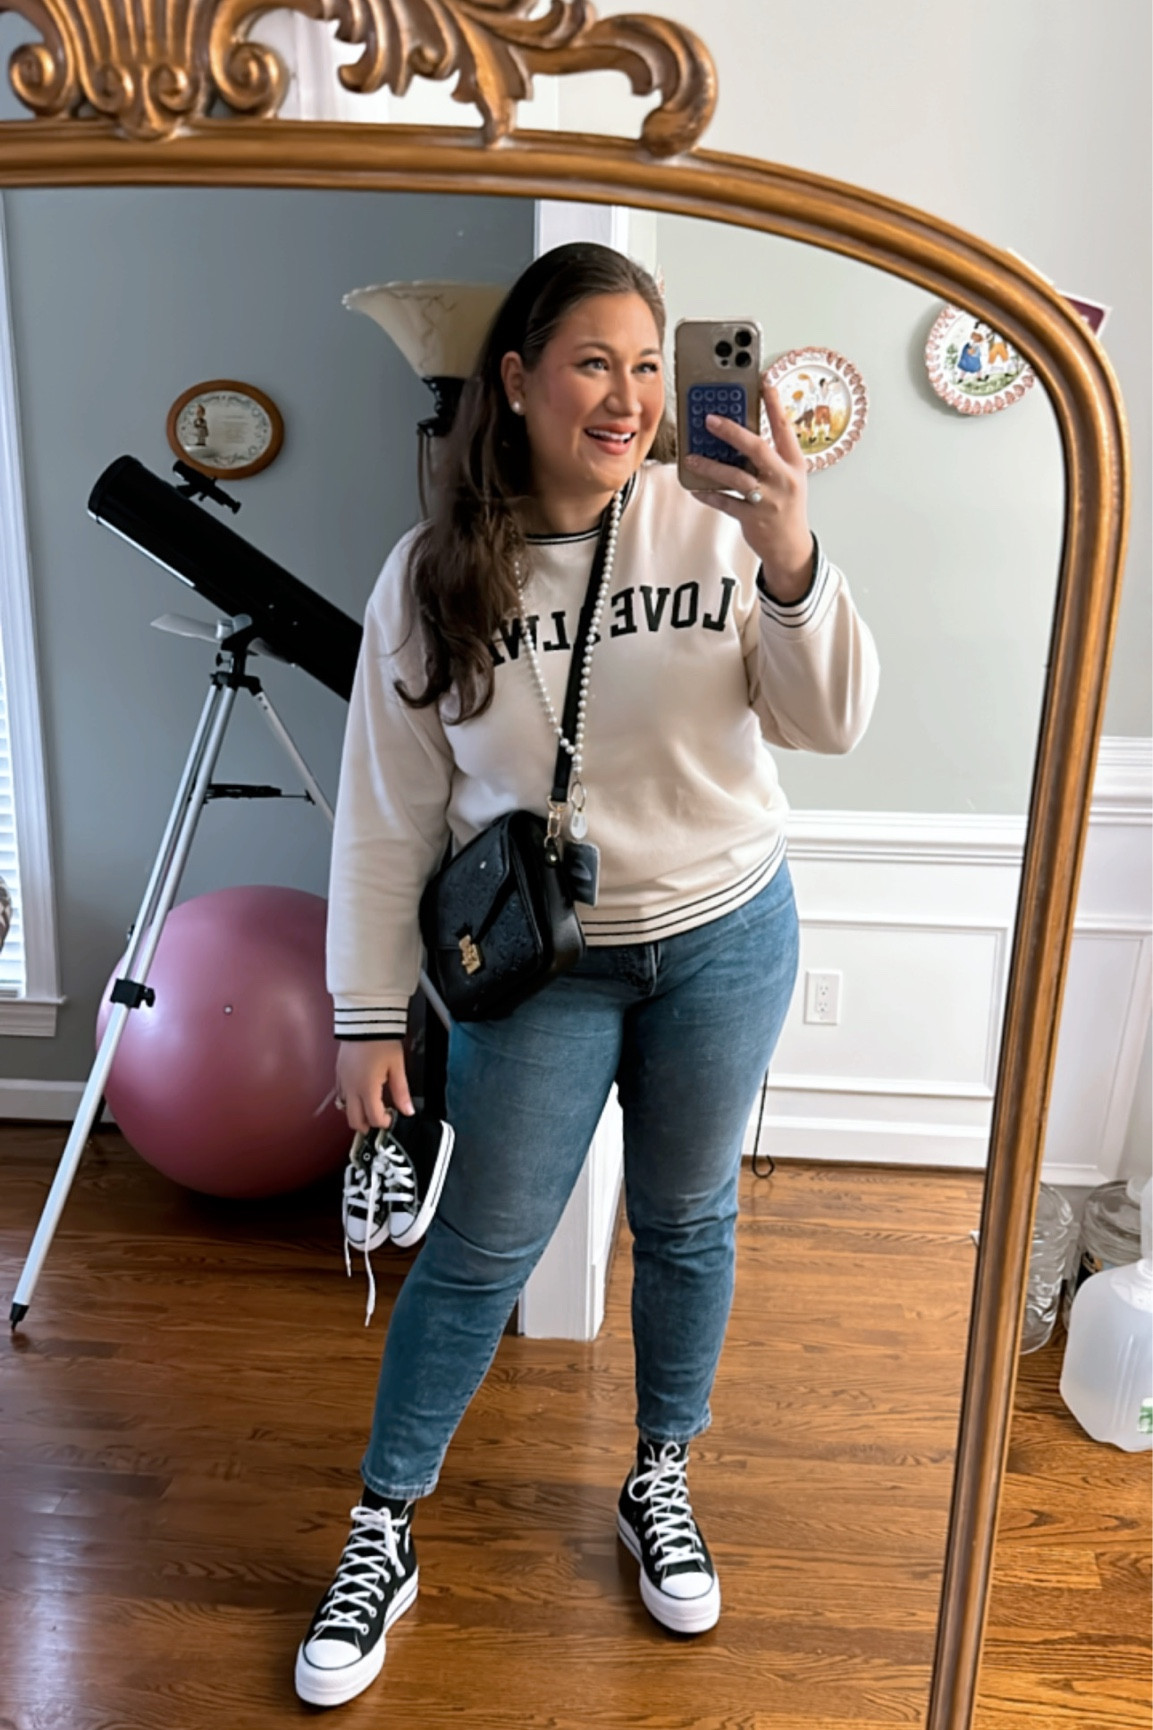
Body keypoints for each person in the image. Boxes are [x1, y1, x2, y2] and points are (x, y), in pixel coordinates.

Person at [295, 242, 879, 1709]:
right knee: (481, 1250)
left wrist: (795, 551)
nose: (623, 396)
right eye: (589, 361)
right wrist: (369, 1012)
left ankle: (658, 1476)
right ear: (516, 378)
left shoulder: (718, 513)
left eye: (643, 361)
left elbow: (831, 723)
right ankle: (383, 1526)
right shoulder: (431, 570)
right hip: (538, 964)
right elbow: (386, 811)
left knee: (688, 1222)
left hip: (725, 931)